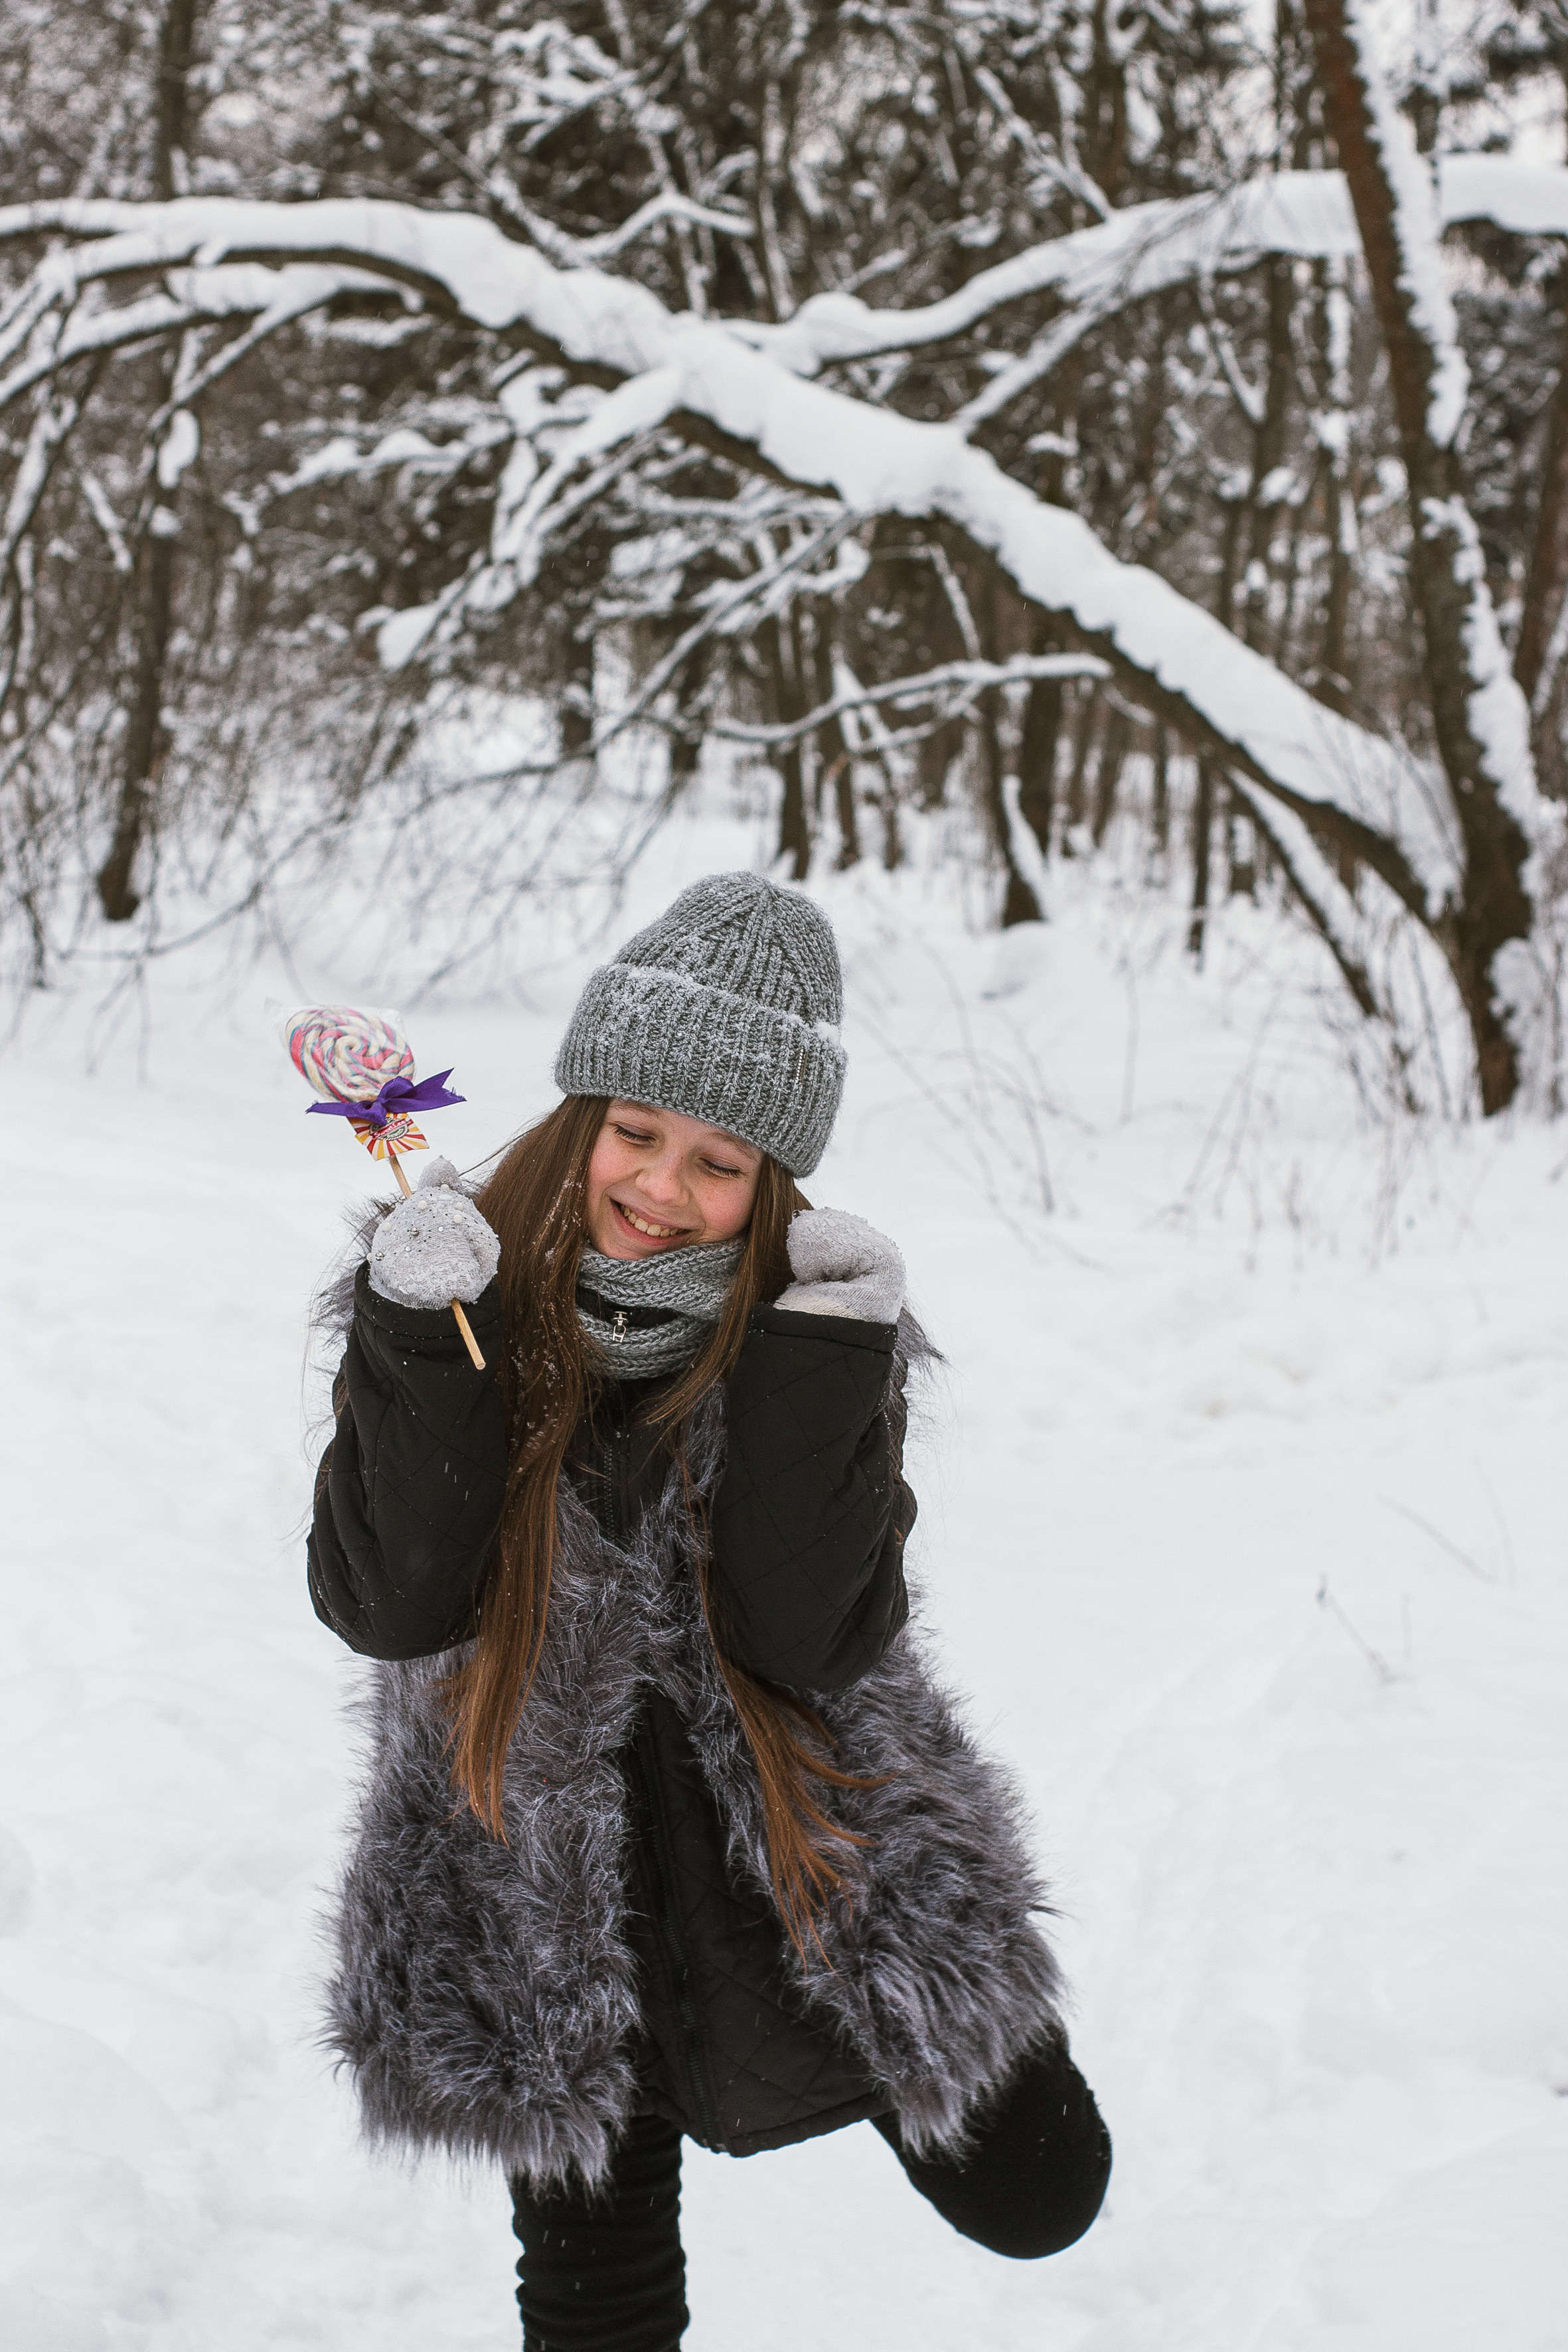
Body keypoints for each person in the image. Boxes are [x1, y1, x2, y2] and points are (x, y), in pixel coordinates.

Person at [307, 872, 1110, 2349]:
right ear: (579, 1120)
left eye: (720, 1159)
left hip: (802, 1845)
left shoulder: (807, 1334)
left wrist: (822, 1364)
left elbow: (805, 1632)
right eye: (635, 1132)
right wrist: (423, 1344)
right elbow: (385, 1597)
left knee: (1043, 2191)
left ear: (773, 1183)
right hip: (534, 1873)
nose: (663, 1186)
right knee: (593, 2306)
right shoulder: (458, 1299)